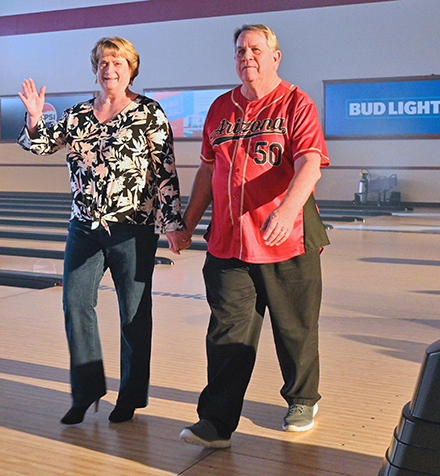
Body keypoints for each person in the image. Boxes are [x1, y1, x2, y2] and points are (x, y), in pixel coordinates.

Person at [17, 36, 188, 425]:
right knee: (75, 304)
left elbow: (164, 171)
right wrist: (33, 116)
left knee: (134, 314)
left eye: (117, 62)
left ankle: (130, 397)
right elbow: (41, 145)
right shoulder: (78, 115)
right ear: (95, 69)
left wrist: (173, 224)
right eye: (103, 63)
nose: (109, 69)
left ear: (131, 68)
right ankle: (87, 390)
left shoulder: (149, 113)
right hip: (85, 227)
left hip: (134, 229)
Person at [177, 24, 330, 448]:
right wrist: (188, 223)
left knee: (294, 328)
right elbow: (208, 171)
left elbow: (310, 164)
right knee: (227, 331)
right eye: (241, 50)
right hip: (229, 240)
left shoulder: (296, 102)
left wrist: (285, 209)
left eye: (256, 49)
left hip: (288, 236)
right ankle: (217, 422)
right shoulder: (219, 109)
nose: (248, 56)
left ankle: (302, 399)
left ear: (275, 56)